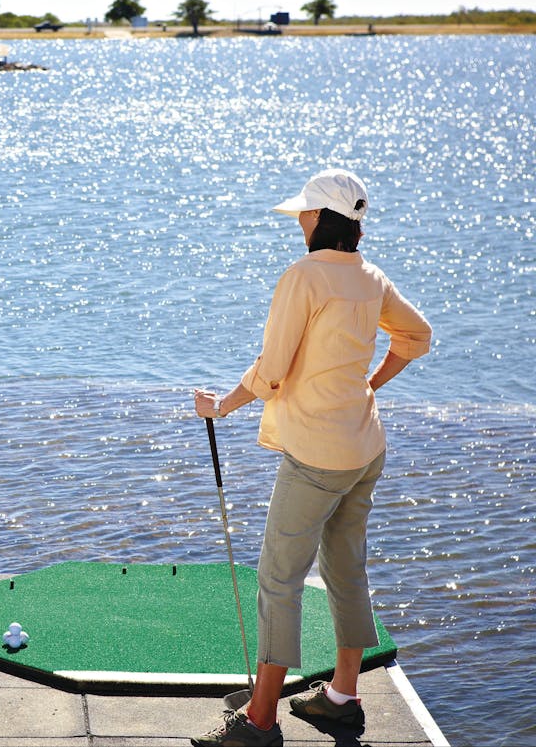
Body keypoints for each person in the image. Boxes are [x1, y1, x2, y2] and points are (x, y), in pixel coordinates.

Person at [190, 169, 431, 747]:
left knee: (279, 578)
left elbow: (272, 373)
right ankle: (343, 699)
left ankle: (260, 719)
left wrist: (220, 406)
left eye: (304, 212)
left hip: (317, 457)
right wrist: (370, 385)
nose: (298, 220)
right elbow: (417, 336)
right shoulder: (370, 277)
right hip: (364, 447)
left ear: (321, 219)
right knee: (346, 570)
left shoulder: (303, 276)